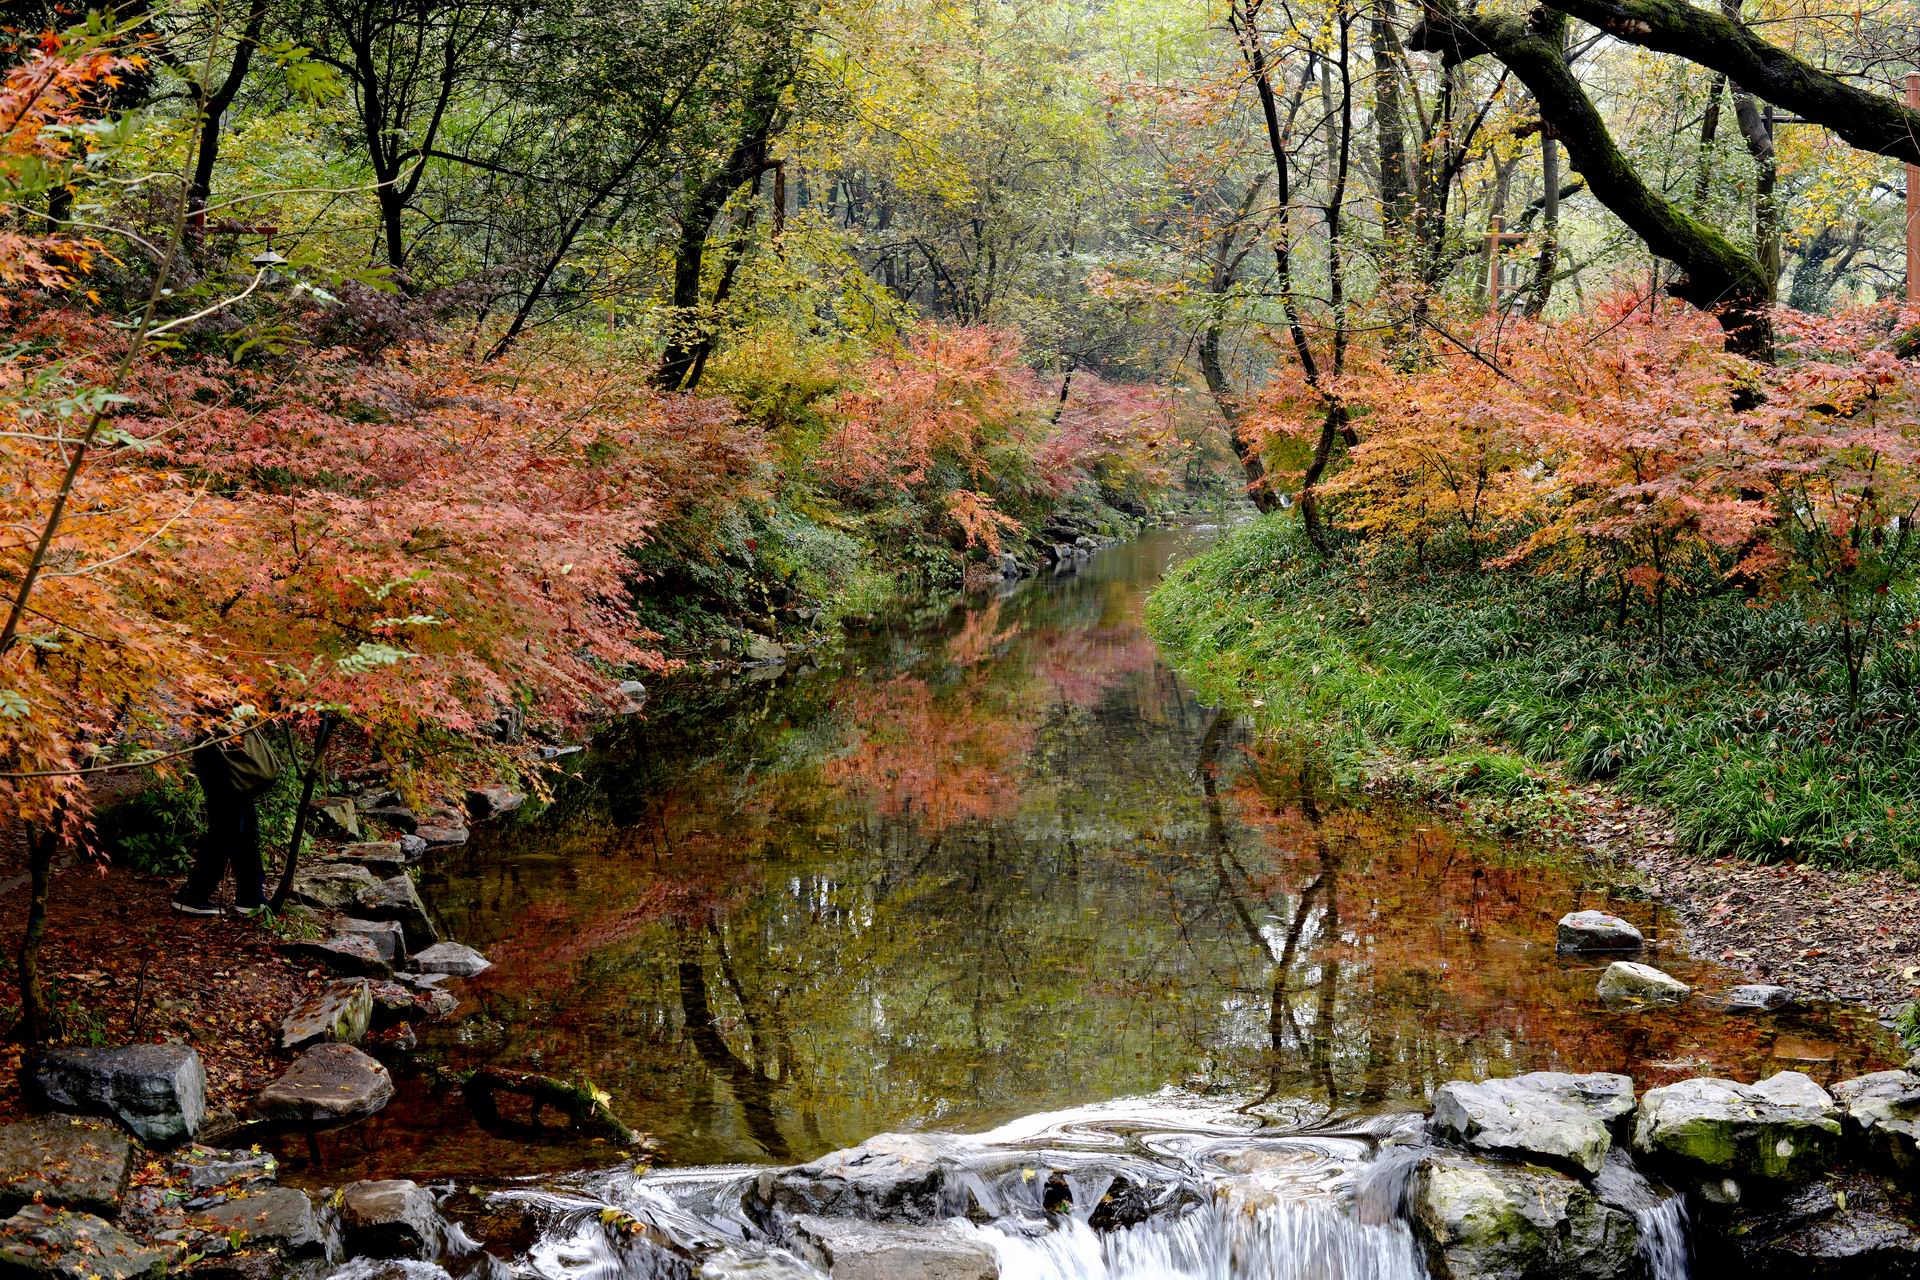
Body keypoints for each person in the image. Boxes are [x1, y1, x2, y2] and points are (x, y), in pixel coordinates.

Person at [172, 726, 272, 916]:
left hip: (227, 756)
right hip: (224, 761)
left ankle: (250, 896)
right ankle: (194, 895)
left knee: (246, 830)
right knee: (227, 830)